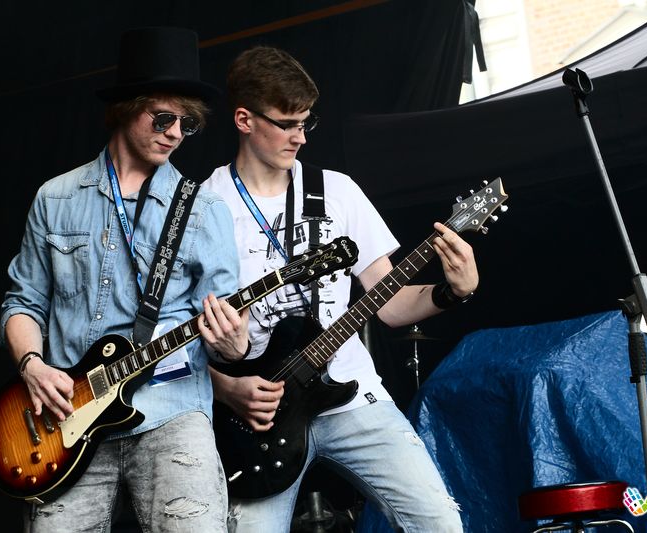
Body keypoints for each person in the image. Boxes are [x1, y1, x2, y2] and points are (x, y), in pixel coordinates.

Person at [200, 45, 477, 532]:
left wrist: (451, 292)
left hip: (352, 397)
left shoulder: (337, 191)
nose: (301, 137)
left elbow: (388, 305)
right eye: (287, 124)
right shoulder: (205, 206)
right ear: (244, 120)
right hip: (256, 418)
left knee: (439, 522)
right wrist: (227, 389)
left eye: (306, 122)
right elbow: (176, 337)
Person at [0, 27, 249, 532]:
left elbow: (228, 332)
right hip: (64, 419)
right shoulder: (55, 198)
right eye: (162, 117)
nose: (174, 133)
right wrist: (31, 365)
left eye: (186, 124)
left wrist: (235, 344)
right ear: (126, 109)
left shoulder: (203, 209)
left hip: (171, 412)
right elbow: (22, 302)